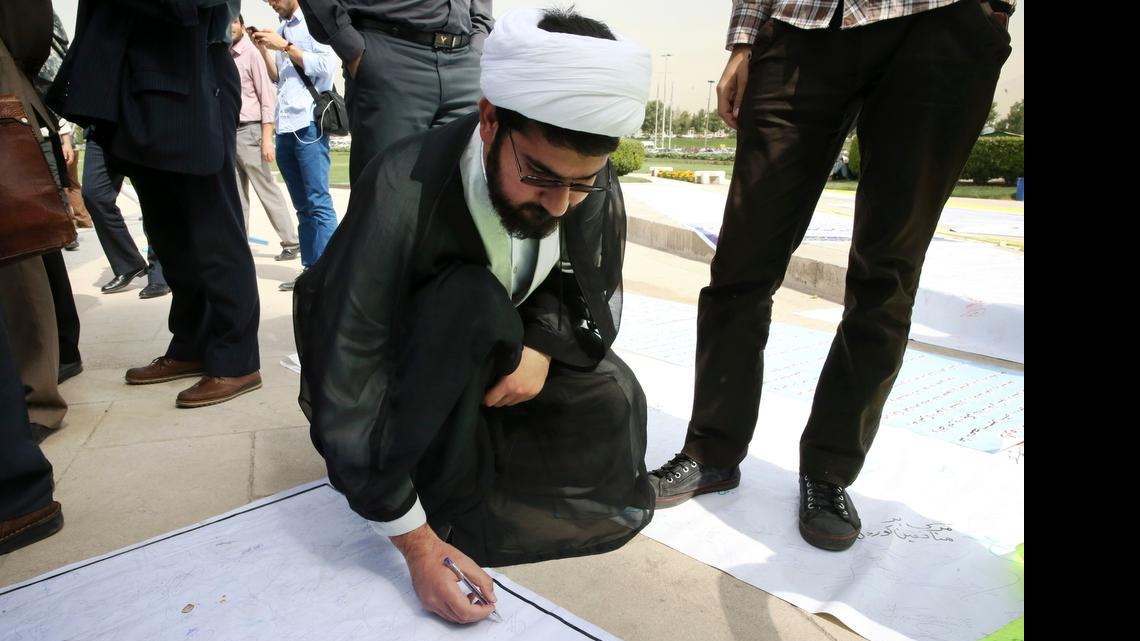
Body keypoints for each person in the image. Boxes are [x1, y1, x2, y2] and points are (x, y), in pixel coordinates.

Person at [294, 8, 653, 624]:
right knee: (467, 301)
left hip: (493, 349)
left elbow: (580, 288)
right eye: (540, 176)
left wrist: (539, 347)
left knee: (610, 399)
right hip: (410, 364)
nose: (561, 204)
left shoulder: (580, 182)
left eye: (583, 184)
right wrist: (417, 545)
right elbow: (349, 362)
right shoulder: (402, 186)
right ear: (489, 120)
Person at [648, 0, 1014, 552]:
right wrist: (745, 39)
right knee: (742, 260)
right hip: (808, 24)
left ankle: (829, 470)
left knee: (886, 276)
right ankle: (711, 451)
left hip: (940, 24)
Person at [48, 0, 263, 409]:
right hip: (138, 78)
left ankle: (237, 360)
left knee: (213, 229)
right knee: (168, 233)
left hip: (195, 72)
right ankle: (191, 345)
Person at [297, 0, 492, 185]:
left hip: (464, 61)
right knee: (385, 201)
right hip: (390, 57)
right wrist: (349, 45)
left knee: (462, 200)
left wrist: (480, 38)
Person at [252, 0, 338, 291]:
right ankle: (310, 269)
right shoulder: (282, 28)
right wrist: (266, 50)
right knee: (302, 206)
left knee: (318, 202)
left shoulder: (314, 25)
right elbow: (279, 79)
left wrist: (286, 46)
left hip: (309, 124)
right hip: (286, 126)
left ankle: (330, 272)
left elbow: (326, 68)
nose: (271, 4)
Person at [230, 14, 301, 261]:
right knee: (236, 196)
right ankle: (239, 246)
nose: (230, 27)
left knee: (266, 189)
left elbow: (266, 97)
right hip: (229, 133)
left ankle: (291, 241)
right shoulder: (223, 56)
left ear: (241, 25)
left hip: (250, 131)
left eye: (234, 22)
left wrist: (267, 138)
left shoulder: (250, 54)